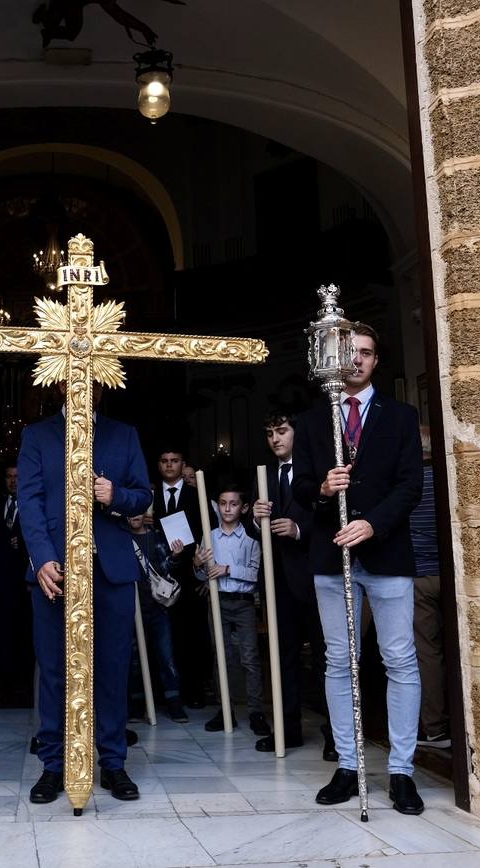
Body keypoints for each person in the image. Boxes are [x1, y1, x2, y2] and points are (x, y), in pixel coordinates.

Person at [291, 322, 426, 816]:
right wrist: (324, 490)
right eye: (351, 352)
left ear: (376, 360)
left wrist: (372, 524)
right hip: (332, 557)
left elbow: (410, 486)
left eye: (366, 352)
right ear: (337, 357)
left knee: (400, 660)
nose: (358, 360)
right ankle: (348, 765)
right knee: (338, 661)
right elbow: (299, 488)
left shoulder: (402, 416)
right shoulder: (311, 420)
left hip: (386, 554)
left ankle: (402, 771)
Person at [19, 387, 152, 805]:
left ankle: (112, 763)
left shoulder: (123, 434)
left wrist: (116, 497)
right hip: (55, 570)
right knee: (55, 670)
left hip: (110, 570)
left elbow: (143, 494)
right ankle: (54, 765)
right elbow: (29, 500)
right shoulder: (37, 435)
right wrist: (42, 557)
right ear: (62, 380)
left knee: (113, 669)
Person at [248, 410, 336, 759]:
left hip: (314, 577)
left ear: (296, 433)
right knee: (282, 657)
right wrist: (257, 520)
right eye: (270, 433)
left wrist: (299, 530)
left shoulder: (314, 471)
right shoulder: (265, 475)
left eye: (282, 431)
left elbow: (330, 518)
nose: (276, 439)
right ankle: (288, 731)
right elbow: (255, 530)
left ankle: (336, 736)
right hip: (278, 581)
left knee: (326, 659)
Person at [193, 485, 270, 737]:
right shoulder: (209, 536)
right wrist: (197, 565)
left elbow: (257, 574)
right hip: (217, 602)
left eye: (233, 504)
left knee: (249, 657)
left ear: (244, 508)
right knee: (221, 658)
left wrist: (228, 569)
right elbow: (202, 575)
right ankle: (224, 709)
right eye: (223, 503)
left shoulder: (251, 538)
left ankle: (256, 711)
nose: (227, 508)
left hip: (244, 603)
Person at [153, 447, 213, 710]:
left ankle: (194, 689)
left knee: (193, 634)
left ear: (182, 463)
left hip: (191, 575)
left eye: (174, 461)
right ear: (158, 465)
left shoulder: (196, 494)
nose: (169, 465)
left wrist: (206, 575)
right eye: (164, 460)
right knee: (161, 635)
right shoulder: (150, 495)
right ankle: (163, 692)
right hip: (158, 576)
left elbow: (210, 533)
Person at [126, 513, 188, 722]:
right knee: (134, 660)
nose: (134, 516)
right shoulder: (121, 538)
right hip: (132, 608)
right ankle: (136, 706)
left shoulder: (157, 536)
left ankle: (174, 704)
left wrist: (176, 556)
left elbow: (166, 568)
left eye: (137, 511)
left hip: (158, 608)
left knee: (166, 657)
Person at [410, 426, 450, 750]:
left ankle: (434, 727)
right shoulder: (445, 480)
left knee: (427, 653)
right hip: (448, 575)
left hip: (420, 578)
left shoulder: (411, 484)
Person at [0, 462, 34, 703]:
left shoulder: (33, 505)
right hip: (2, 578)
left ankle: (26, 679)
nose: (13, 481)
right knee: (4, 626)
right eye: (9, 476)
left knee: (26, 627)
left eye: (17, 476)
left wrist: (21, 545)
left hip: (26, 579)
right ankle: (6, 679)